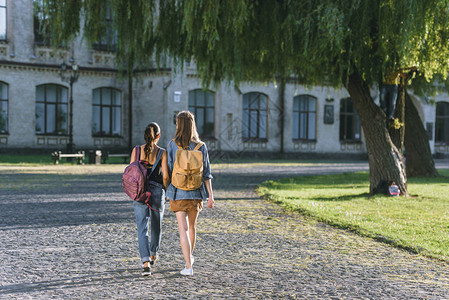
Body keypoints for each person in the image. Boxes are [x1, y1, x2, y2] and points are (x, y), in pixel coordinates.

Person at [166, 110, 215, 276]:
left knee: (183, 230)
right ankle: (190, 258)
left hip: (178, 192)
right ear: (193, 124)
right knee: (192, 227)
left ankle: (188, 266)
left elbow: (170, 169)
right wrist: (210, 196)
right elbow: (207, 173)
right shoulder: (202, 146)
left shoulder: (172, 145)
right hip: (196, 193)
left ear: (178, 125)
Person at [130, 122, 169, 276]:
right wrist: (166, 191)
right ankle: (153, 253)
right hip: (157, 193)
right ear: (158, 136)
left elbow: (132, 171)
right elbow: (165, 176)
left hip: (139, 192)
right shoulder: (162, 152)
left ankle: (145, 262)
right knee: (156, 225)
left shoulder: (136, 150)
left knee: (142, 228)